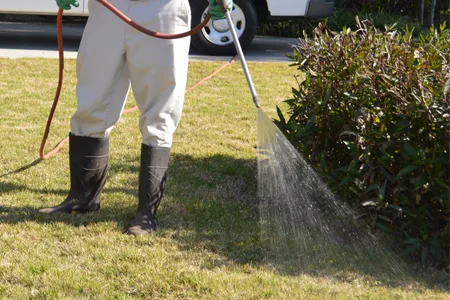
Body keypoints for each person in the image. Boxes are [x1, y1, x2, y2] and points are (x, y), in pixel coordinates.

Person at [39, 0, 233, 236]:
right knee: (92, 99)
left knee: (159, 111)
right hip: (108, 7)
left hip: (162, 9)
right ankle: (83, 198)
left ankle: (146, 214)